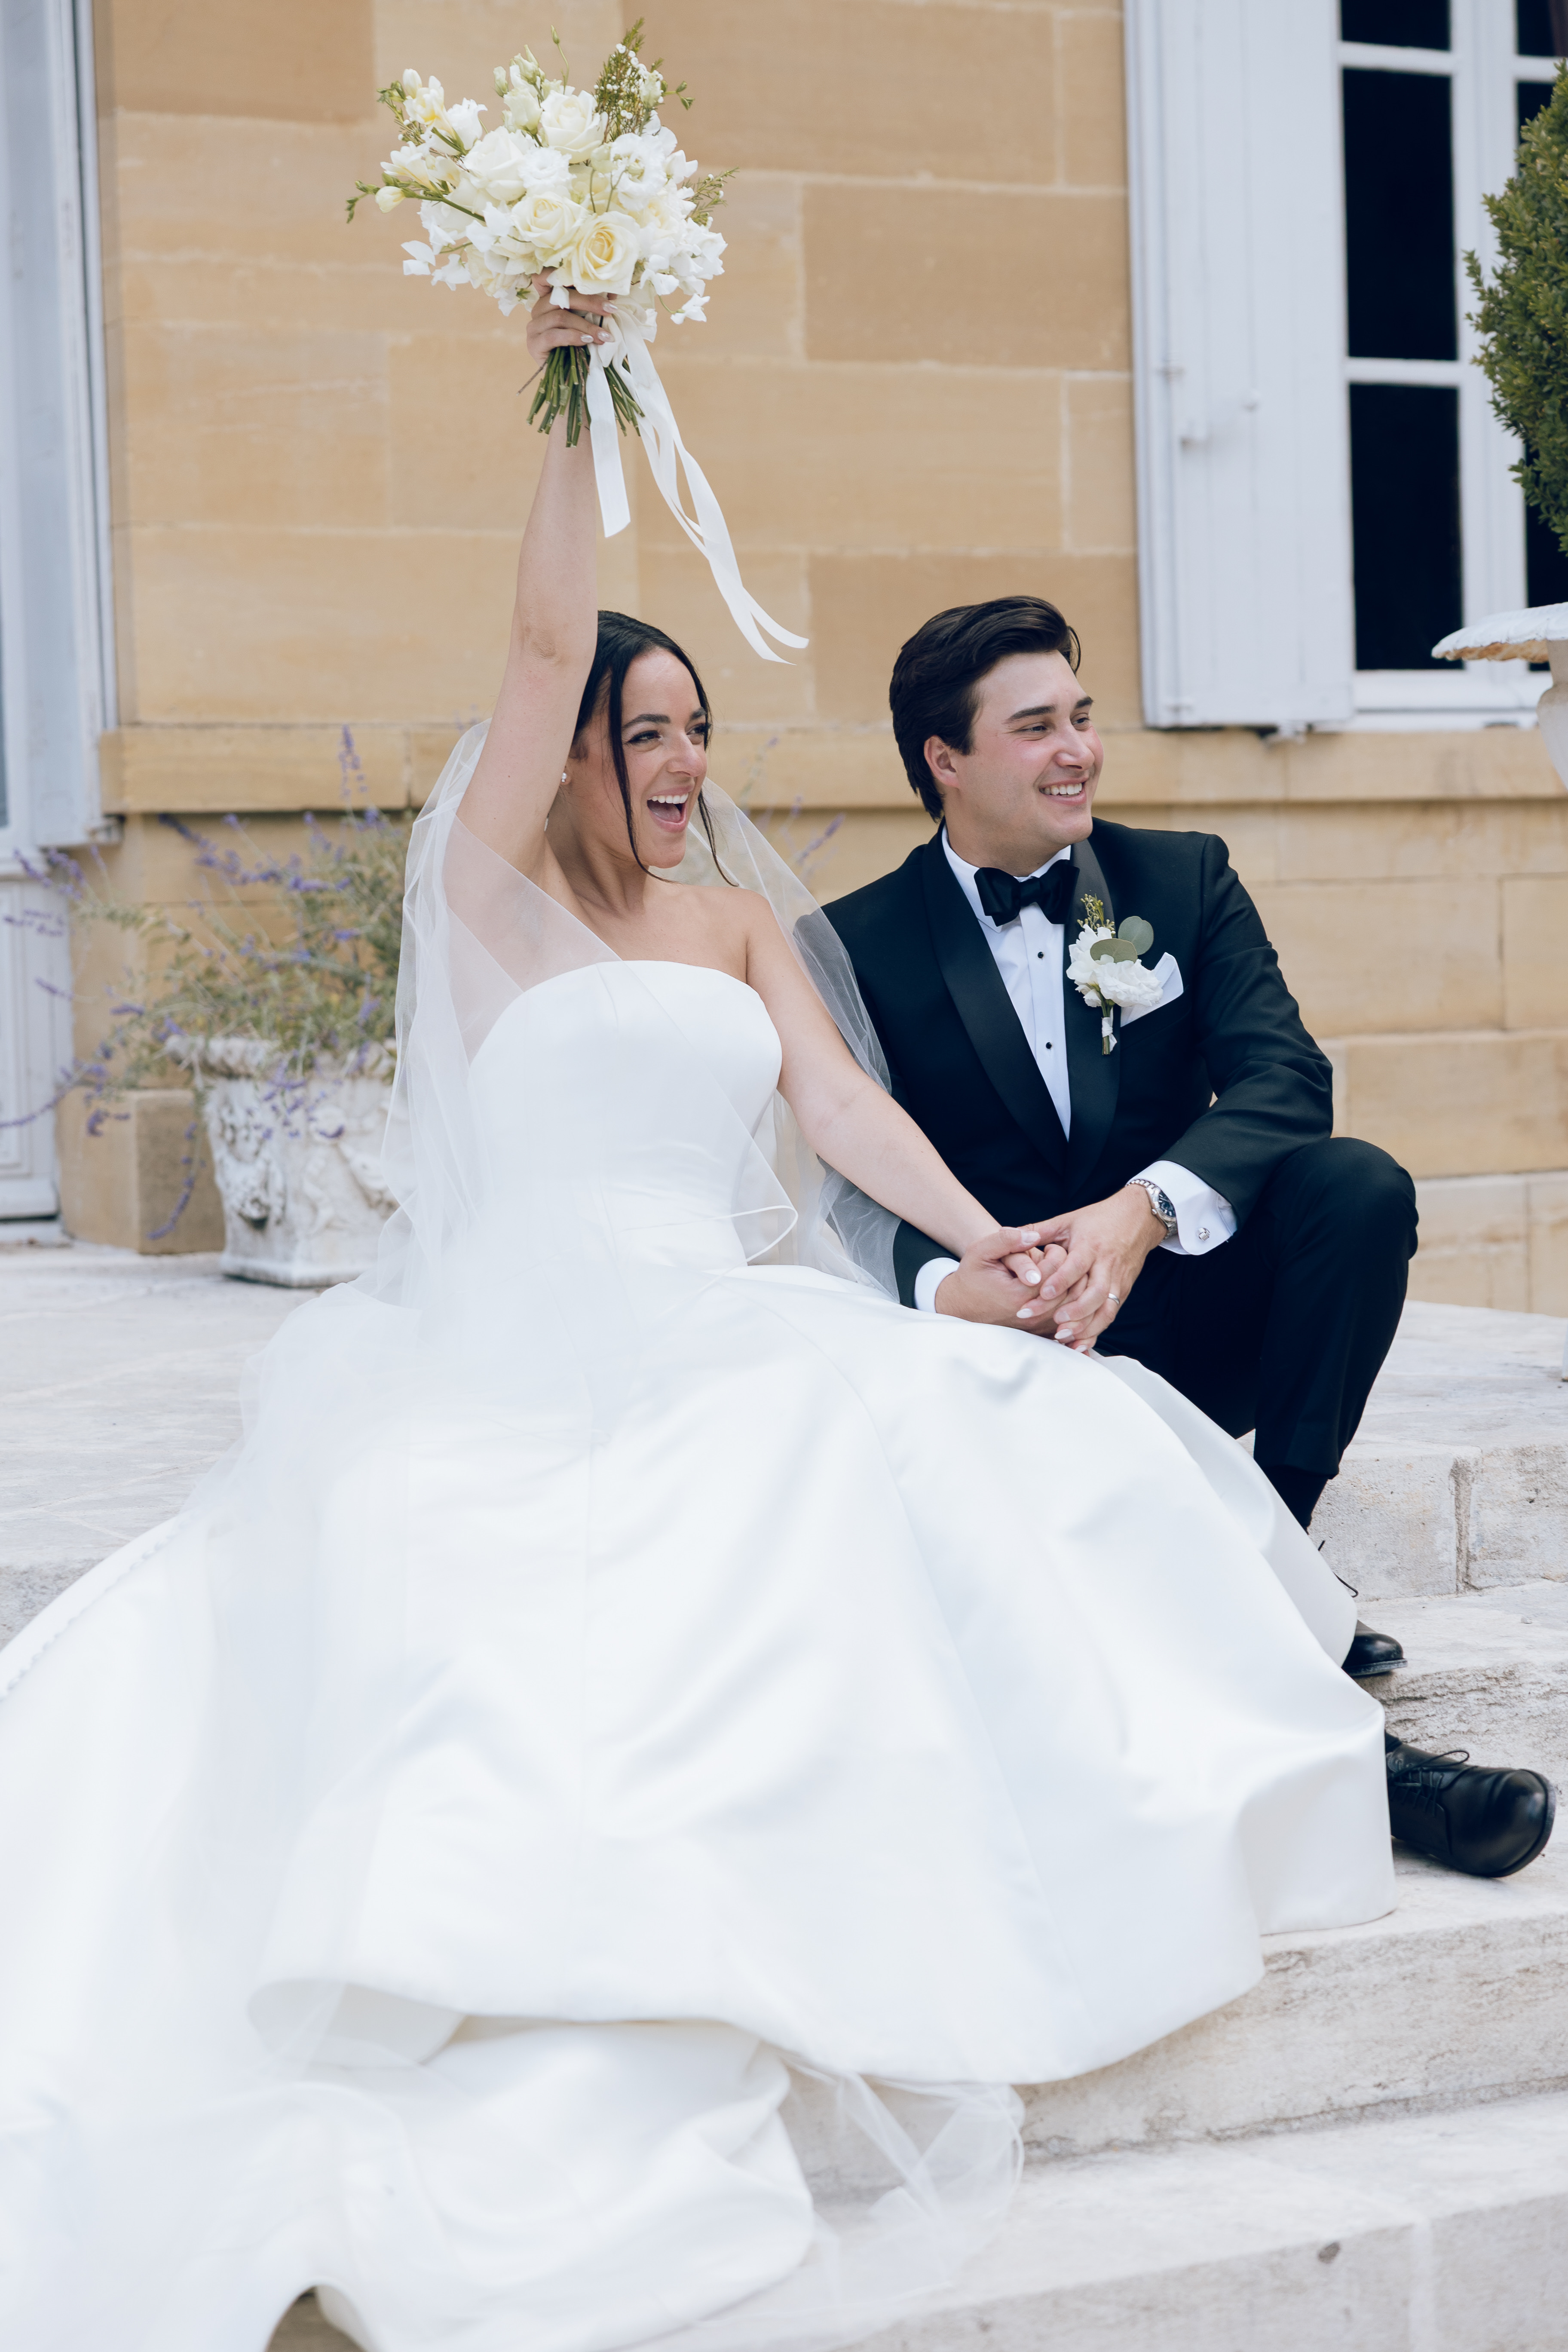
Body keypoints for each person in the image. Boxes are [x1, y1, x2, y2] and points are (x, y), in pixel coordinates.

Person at [0, 285, 1409, 2352]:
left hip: (722, 1304)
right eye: (644, 732)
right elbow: (534, 643)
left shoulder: (740, 921)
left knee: (990, 1426)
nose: (682, 766)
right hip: (531, 1335)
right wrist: (577, 386)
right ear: (571, 753)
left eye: (701, 734)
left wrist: (1003, 1249)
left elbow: (842, 1112)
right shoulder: (486, 903)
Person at [824, 594, 1556, 1883]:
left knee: (1355, 1187)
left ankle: (1278, 1543)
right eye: (1036, 727)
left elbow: (1286, 1077)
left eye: (1083, 716)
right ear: (946, 759)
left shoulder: (1183, 877)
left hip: (1186, 1312)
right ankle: (1349, 1728)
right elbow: (846, 1188)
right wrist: (960, 1287)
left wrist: (1142, 1213)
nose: (1080, 752)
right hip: (1012, 1356)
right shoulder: (850, 944)